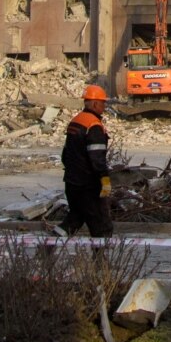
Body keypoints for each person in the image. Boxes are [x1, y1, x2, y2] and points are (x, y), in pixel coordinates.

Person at [58, 84, 113, 238]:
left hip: (71, 183)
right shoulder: (93, 125)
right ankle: (100, 262)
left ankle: (48, 246)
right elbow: (97, 159)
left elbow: (65, 154)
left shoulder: (76, 121)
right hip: (87, 186)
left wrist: (73, 173)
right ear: (95, 103)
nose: (104, 106)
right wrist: (105, 180)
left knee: (74, 219)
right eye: (103, 103)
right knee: (102, 226)